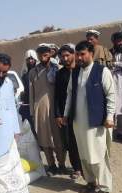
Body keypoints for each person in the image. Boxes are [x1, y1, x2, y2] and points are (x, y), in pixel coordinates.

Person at [64, 41, 115, 193]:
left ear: (91, 54)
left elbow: (111, 95)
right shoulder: (75, 73)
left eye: (82, 54)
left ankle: (105, 187)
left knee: (99, 154)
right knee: (84, 155)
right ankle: (91, 182)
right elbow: (70, 95)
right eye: (77, 54)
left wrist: (110, 116)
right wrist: (66, 114)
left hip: (96, 122)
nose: (79, 57)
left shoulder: (102, 71)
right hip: (79, 122)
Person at [29, 44, 66, 176]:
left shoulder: (58, 69)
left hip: (56, 110)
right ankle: (51, 165)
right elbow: (31, 94)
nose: (43, 56)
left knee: (58, 139)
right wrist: (33, 112)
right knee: (44, 139)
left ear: (50, 54)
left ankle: (62, 164)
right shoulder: (33, 72)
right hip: (40, 110)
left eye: (45, 53)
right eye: (40, 54)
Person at [54, 43, 82, 179]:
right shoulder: (60, 74)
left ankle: (86, 167)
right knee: (71, 142)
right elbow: (57, 96)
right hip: (66, 114)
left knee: (83, 140)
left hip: (83, 112)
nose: (64, 58)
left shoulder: (81, 69)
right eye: (62, 56)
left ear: (73, 54)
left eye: (67, 55)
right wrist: (58, 115)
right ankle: (77, 168)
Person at [19, 49, 38, 126]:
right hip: (28, 106)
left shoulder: (40, 72)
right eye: (28, 59)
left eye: (32, 59)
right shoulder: (24, 75)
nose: (30, 61)